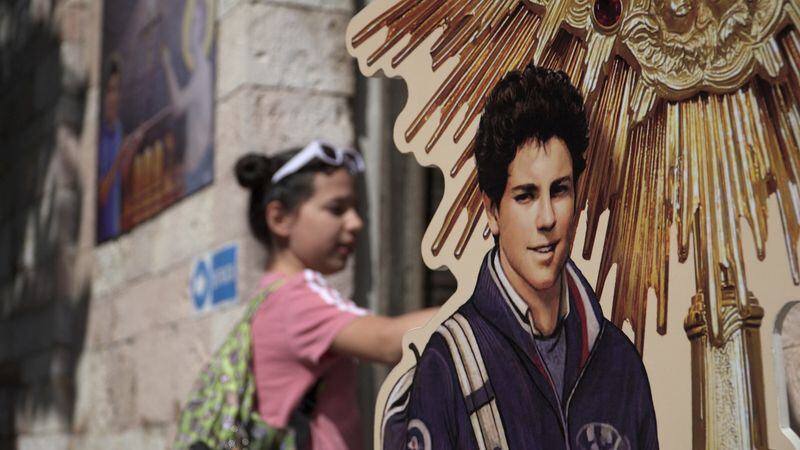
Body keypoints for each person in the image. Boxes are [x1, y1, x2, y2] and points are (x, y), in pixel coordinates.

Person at [399, 65, 659, 449]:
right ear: (491, 211)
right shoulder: (448, 366)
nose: (547, 218)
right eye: (525, 196)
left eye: (560, 191)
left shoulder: (621, 364)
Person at [235, 140, 436, 450]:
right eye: (336, 209)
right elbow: (388, 341)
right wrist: (493, 302)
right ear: (279, 219)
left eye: (354, 208)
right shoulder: (296, 299)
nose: (355, 222)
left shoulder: (272, 294)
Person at [97, 58, 142, 242]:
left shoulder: (118, 128)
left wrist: (132, 148)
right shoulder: (98, 134)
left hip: (115, 228)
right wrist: (119, 156)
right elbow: (101, 195)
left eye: (116, 90)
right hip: (102, 232)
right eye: (109, 91)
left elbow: (121, 177)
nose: (113, 98)